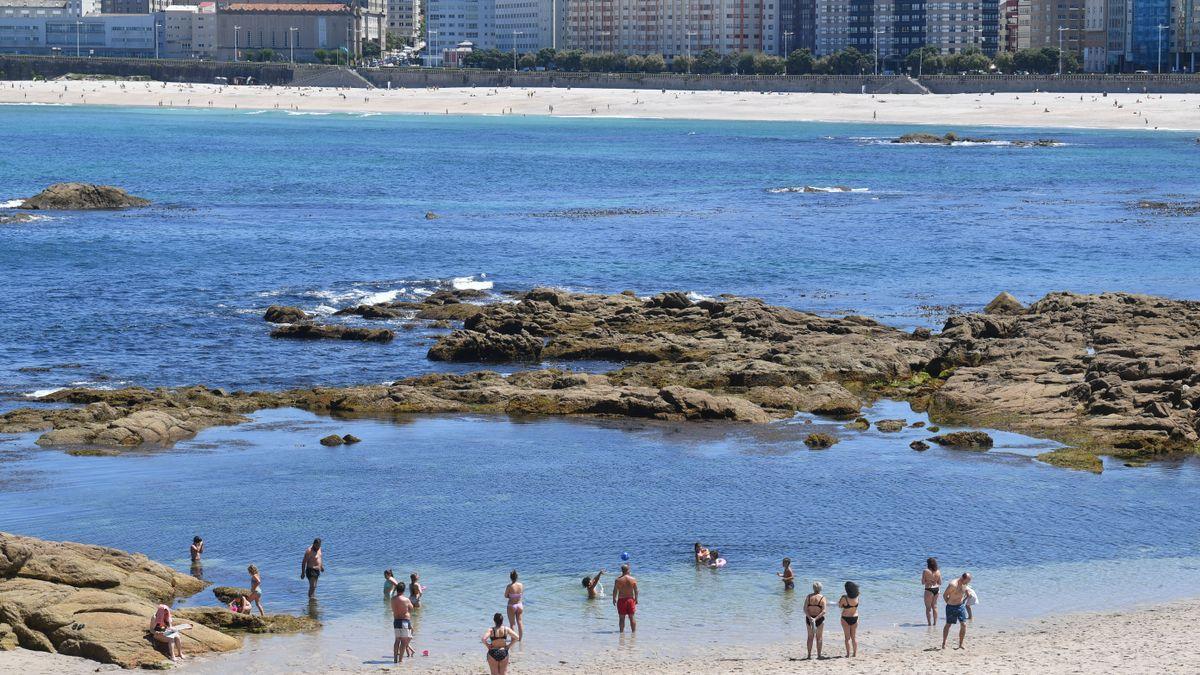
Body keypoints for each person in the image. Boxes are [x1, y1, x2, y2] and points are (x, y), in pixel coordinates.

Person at [941, 572, 972, 650]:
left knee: (964, 624)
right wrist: (949, 603)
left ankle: (961, 644)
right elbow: (945, 595)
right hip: (951, 607)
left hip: (960, 606)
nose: (968, 583)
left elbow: (965, 591)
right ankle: (944, 643)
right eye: (967, 581)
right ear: (963, 578)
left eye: (969, 581)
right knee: (948, 624)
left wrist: (967, 595)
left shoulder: (965, 584)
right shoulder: (953, 584)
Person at [391, 581, 414, 663]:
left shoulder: (392, 599)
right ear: (404, 590)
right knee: (404, 642)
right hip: (404, 621)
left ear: (397, 589)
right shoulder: (406, 600)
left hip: (396, 621)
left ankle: (395, 659)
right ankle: (400, 660)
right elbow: (412, 608)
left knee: (397, 640)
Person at [613, 563, 639, 633]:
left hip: (621, 600)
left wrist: (614, 599)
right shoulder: (633, 579)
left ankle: (621, 633)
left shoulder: (618, 580)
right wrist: (636, 599)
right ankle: (633, 633)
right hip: (630, 600)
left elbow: (615, 590)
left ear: (622, 570)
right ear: (628, 570)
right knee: (632, 617)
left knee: (622, 618)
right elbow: (636, 590)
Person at [804, 582, 827, 660]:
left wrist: (810, 617)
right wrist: (815, 618)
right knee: (819, 637)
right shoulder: (822, 598)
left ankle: (809, 655)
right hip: (819, 619)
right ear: (820, 588)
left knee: (810, 637)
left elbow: (805, 609)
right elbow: (824, 611)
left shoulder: (809, 596)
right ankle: (819, 655)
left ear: (813, 588)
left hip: (809, 619)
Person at [837, 581, 860, 658]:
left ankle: (848, 654)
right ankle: (855, 654)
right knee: (854, 637)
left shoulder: (844, 598)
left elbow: (840, 606)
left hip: (845, 618)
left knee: (847, 638)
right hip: (855, 617)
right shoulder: (857, 596)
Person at [504, 570, 525, 639]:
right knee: (520, 622)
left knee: (512, 624)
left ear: (510, 577)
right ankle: (520, 639)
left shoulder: (509, 586)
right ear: (517, 577)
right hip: (519, 605)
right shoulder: (521, 585)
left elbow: (505, 595)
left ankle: (513, 639)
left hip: (511, 605)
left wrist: (510, 596)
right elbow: (521, 594)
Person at [922, 557, 942, 626]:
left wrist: (928, 581)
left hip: (929, 589)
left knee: (928, 608)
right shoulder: (938, 571)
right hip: (936, 589)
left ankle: (929, 624)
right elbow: (940, 583)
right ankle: (935, 623)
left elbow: (922, 582)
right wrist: (934, 581)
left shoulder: (925, 571)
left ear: (928, 564)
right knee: (935, 606)